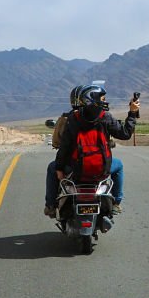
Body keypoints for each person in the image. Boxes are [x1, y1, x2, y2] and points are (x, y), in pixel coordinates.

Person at [44, 85, 138, 218]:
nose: (105, 101)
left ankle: (51, 206)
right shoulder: (105, 117)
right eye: (102, 98)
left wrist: (59, 168)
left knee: (51, 167)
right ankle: (116, 202)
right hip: (102, 170)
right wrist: (132, 113)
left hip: (75, 170)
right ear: (92, 99)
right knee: (119, 166)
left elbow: (64, 147)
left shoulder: (72, 119)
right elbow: (125, 134)